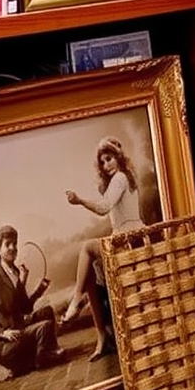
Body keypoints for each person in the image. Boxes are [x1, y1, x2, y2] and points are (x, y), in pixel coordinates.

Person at [61, 137, 143, 361]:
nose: (106, 165)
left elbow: (104, 207)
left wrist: (79, 200)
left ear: (118, 157)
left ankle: (77, 299)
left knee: (87, 247)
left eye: (109, 159)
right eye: (103, 162)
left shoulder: (119, 178)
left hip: (128, 241)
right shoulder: (125, 178)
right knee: (87, 273)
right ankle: (102, 337)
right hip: (127, 238)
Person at [0, 225, 63, 382]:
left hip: (19, 329)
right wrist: (1, 332)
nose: (13, 248)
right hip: (4, 341)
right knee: (44, 327)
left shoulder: (16, 273)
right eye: (8, 244)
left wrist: (37, 289)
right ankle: (40, 360)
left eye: (15, 244)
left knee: (47, 312)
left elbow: (25, 308)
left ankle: (47, 351)